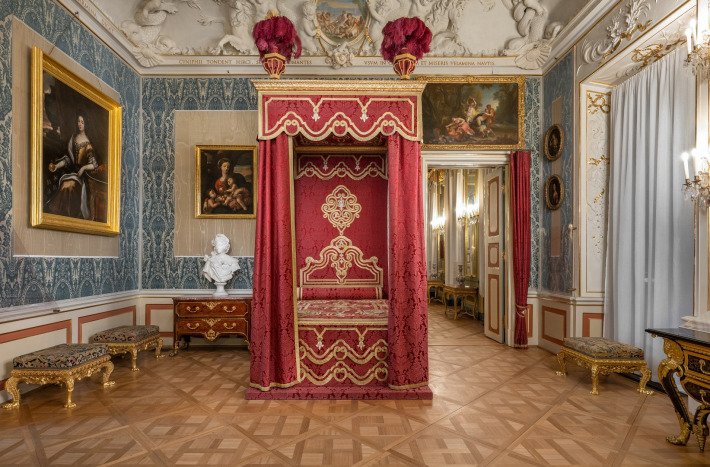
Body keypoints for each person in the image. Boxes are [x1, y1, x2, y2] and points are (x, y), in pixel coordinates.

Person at [45, 111, 101, 220]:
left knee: (69, 186)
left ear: (86, 124)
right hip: (71, 172)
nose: (80, 124)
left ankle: (68, 217)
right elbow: (68, 160)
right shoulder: (73, 138)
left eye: (82, 122)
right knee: (64, 183)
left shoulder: (88, 143)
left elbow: (94, 164)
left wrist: (83, 168)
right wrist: (57, 166)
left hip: (80, 176)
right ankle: (59, 216)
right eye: (79, 121)